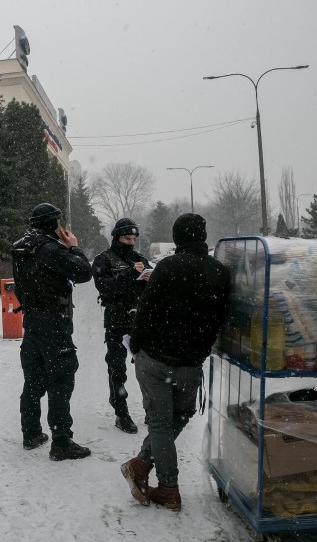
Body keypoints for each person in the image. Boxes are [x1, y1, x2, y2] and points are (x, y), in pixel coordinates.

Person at [122, 213, 230, 511]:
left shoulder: (168, 267)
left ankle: (168, 487)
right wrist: (202, 347)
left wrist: (137, 345)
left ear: (178, 238)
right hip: (191, 362)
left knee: (160, 423)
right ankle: (142, 464)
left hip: (157, 358)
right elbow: (220, 316)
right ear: (203, 235)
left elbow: (145, 309)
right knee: (178, 417)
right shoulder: (219, 271)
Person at [12, 203, 94, 461]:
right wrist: (74, 247)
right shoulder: (50, 248)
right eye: (59, 222)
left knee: (33, 378)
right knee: (61, 378)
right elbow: (83, 272)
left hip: (32, 320)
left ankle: (32, 432)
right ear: (53, 224)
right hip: (53, 323)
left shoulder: (22, 246)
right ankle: (61, 441)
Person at [92, 218, 151, 434]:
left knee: (147, 368)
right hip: (116, 320)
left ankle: (151, 409)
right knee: (117, 368)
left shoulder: (141, 259)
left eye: (134, 238)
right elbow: (105, 288)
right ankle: (121, 411)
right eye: (127, 238)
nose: (131, 242)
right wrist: (130, 274)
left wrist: (149, 278)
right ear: (117, 237)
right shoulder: (103, 260)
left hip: (140, 320)